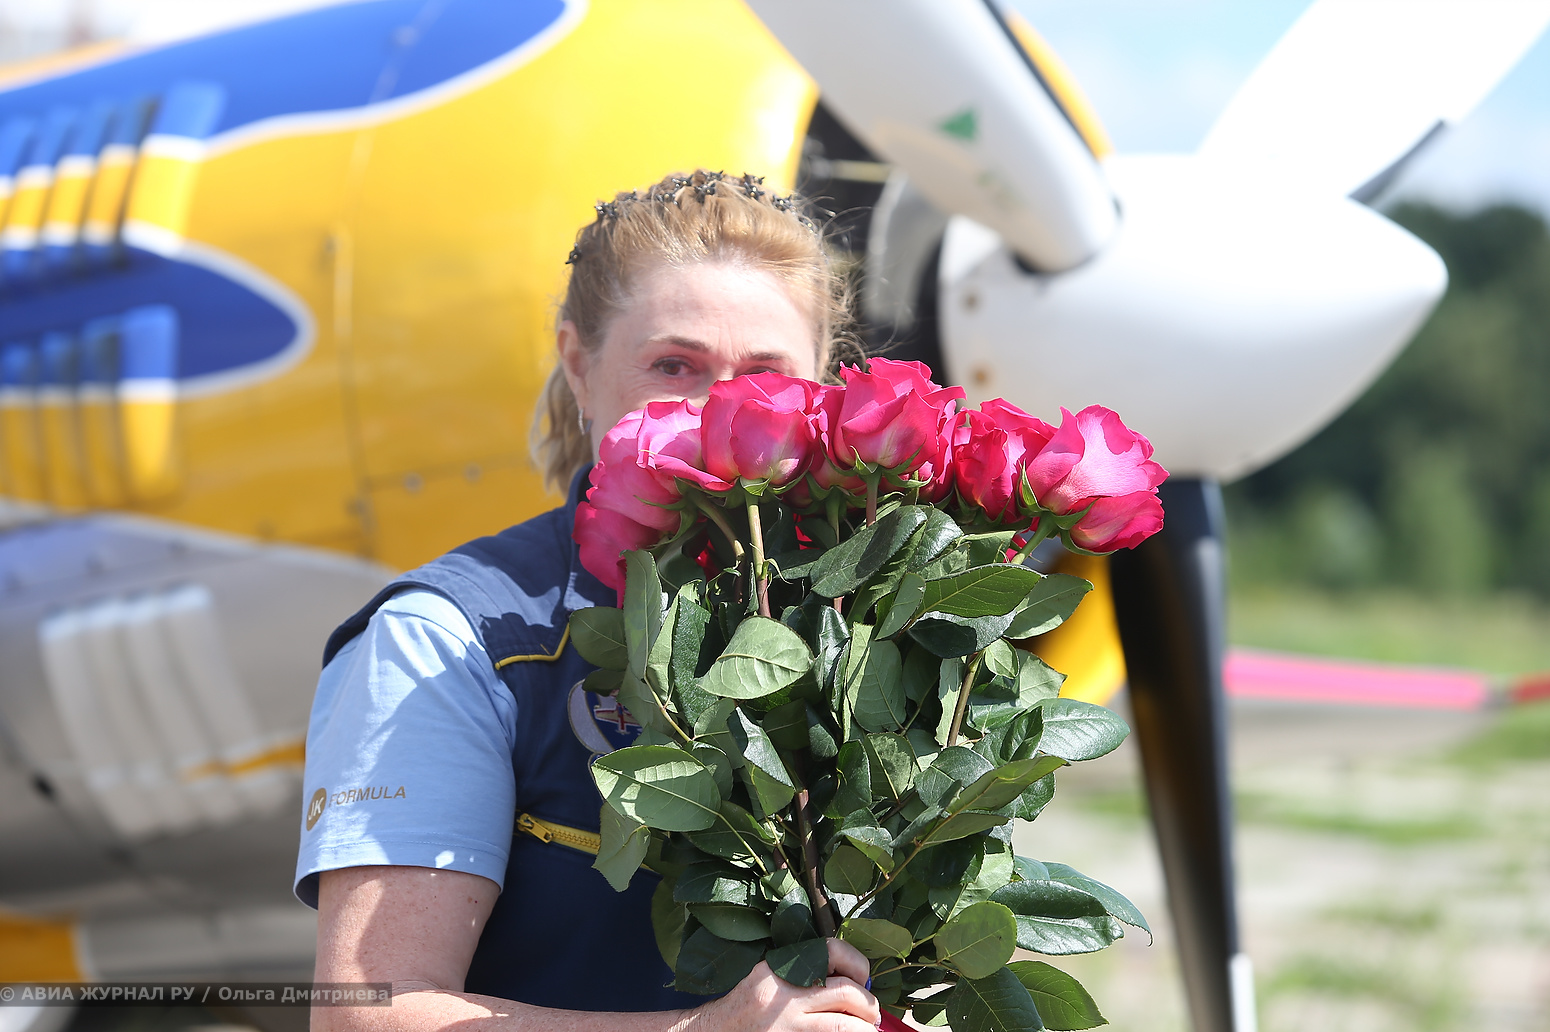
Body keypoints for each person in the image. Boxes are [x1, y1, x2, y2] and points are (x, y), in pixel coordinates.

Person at [295, 170, 883, 1032]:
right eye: (674, 366)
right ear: (579, 365)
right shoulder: (449, 638)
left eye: (766, 374)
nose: (720, 408)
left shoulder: (875, 623)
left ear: (823, 385)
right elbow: (366, 1016)